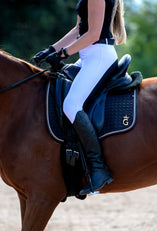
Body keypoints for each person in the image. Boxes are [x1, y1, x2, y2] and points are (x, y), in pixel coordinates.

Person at [33, 0, 126, 195]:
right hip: (87, 57)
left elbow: (92, 35)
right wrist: (51, 49)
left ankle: (99, 168)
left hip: (99, 56)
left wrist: (64, 53)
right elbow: (78, 29)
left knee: (71, 105)